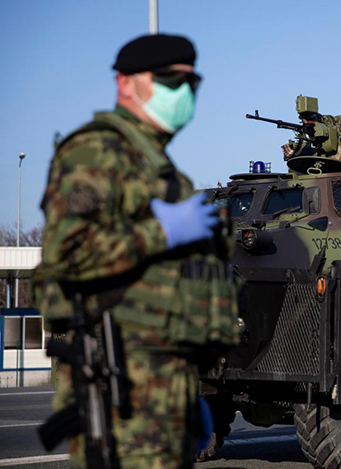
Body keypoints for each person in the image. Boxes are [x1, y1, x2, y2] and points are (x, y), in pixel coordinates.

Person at [34, 33, 239, 468]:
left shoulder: (168, 175)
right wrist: (160, 233)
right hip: (120, 393)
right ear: (125, 83)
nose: (182, 93)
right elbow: (66, 256)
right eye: (168, 80)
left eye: (191, 83)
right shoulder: (95, 152)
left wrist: (188, 393)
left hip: (170, 394)